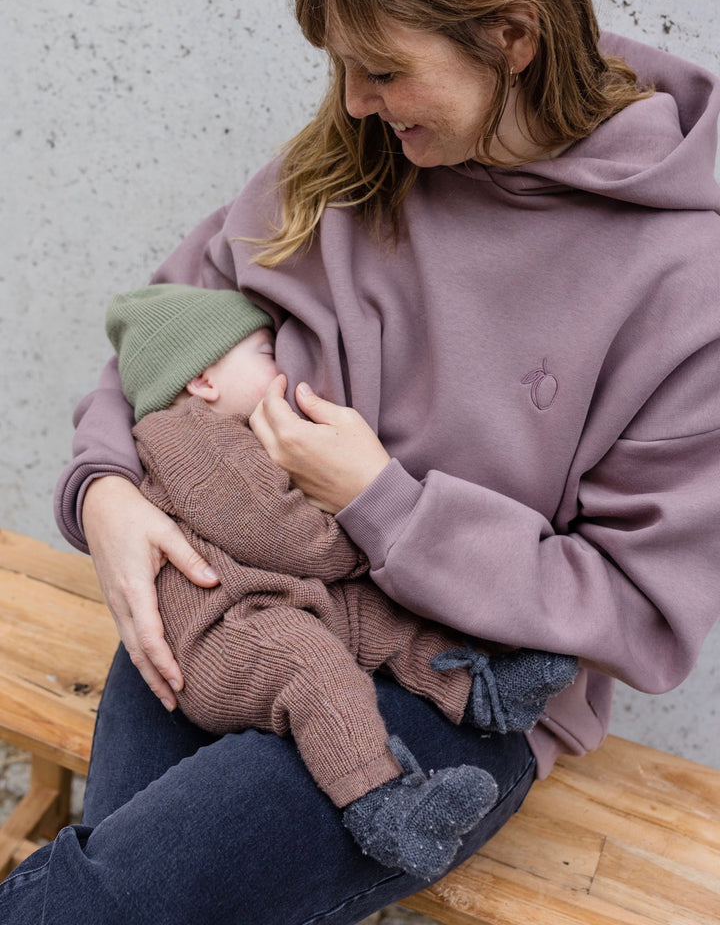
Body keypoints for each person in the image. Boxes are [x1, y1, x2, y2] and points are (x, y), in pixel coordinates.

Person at [2, 0, 719, 925]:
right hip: (234, 608)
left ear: (513, 36)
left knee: (107, 903)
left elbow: (638, 610)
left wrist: (385, 505)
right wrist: (103, 491)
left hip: (457, 689)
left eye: (382, 70)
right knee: (124, 891)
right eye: (340, 66)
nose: (349, 103)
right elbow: (164, 332)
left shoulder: (683, 280)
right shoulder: (352, 161)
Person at [104, 281, 577, 878]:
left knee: (379, 622)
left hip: (276, 603)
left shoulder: (221, 434)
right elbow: (272, 530)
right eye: (267, 353)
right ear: (203, 381)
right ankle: (382, 802)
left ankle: (480, 691)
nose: (283, 367)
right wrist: (359, 545)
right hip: (223, 637)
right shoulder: (189, 436)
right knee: (315, 670)